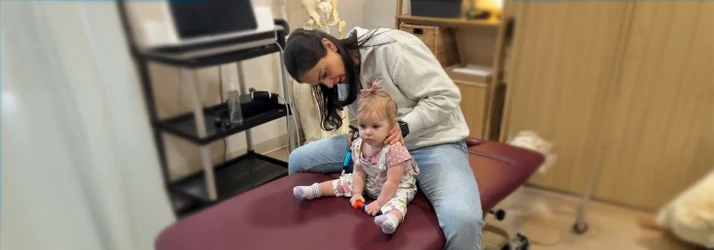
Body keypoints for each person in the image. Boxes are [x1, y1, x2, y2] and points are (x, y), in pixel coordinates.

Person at [283, 26, 484, 250]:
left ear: (329, 46)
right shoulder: (342, 74)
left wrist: (405, 126)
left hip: (431, 143)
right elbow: (366, 111)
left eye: (324, 73)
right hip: (374, 147)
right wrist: (358, 128)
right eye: (321, 82)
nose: (329, 83)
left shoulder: (392, 48)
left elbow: (446, 96)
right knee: (298, 159)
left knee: (464, 221)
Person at [293, 82, 421, 234]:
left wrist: (379, 203)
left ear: (391, 126)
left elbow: (392, 182)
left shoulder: (394, 150)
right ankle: (315, 190)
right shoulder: (359, 144)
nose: (367, 132)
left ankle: (391, 220)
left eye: (375, 127)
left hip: (394, 187)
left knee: (399, 201)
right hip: (372, 182)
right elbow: (359, 172)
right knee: (345, 181)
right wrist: (357, 193)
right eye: (362, 126)